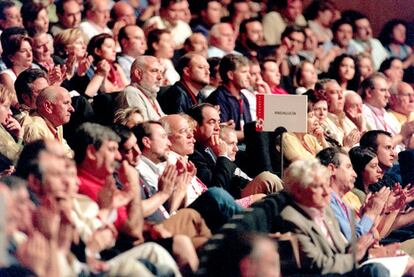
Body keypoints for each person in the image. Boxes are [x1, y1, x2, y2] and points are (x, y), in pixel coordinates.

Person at [280, 159, 391, 276]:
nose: (326, 192)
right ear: (298, 191)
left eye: (327, 185)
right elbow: (318, 265)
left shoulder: (325, 210)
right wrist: (357, 255)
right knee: (377, 271)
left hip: (346, 268)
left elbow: (343, 246)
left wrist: (368, 252)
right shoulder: (290, 219)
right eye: (318, 186)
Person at [187, 103, 281, 199]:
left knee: (267, 177)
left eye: (218, 122)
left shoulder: (210, 148)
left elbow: (234, 175)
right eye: (211, 122)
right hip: (227, 200)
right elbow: (217, 190)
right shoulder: (194, 155)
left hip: (236, 191)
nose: (217, 127)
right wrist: (223, 155)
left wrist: (250, 183)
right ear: (196, 126)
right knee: (267, 179)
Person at [205, 54, 252, 140]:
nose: (249, 76)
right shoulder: (218, 98)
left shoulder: (244, 98)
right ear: (230, 75)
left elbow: (249, 128)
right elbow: (222, 135)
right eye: (244, 72)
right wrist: (252, 133)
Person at [23, 86, 74, 156]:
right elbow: (44, 164)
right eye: (66, 103)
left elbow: (67, 153)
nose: (72, 109)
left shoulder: (57, 124)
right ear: (48, 107)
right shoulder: (35, 128)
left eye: (70, 104)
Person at [116, 55, 165, 120]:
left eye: (161, 72)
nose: (160, 77)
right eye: (154, 71)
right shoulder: (131, 93)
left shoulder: (148, 92)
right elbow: (144, 127)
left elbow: (162, 118)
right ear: (138, 74)